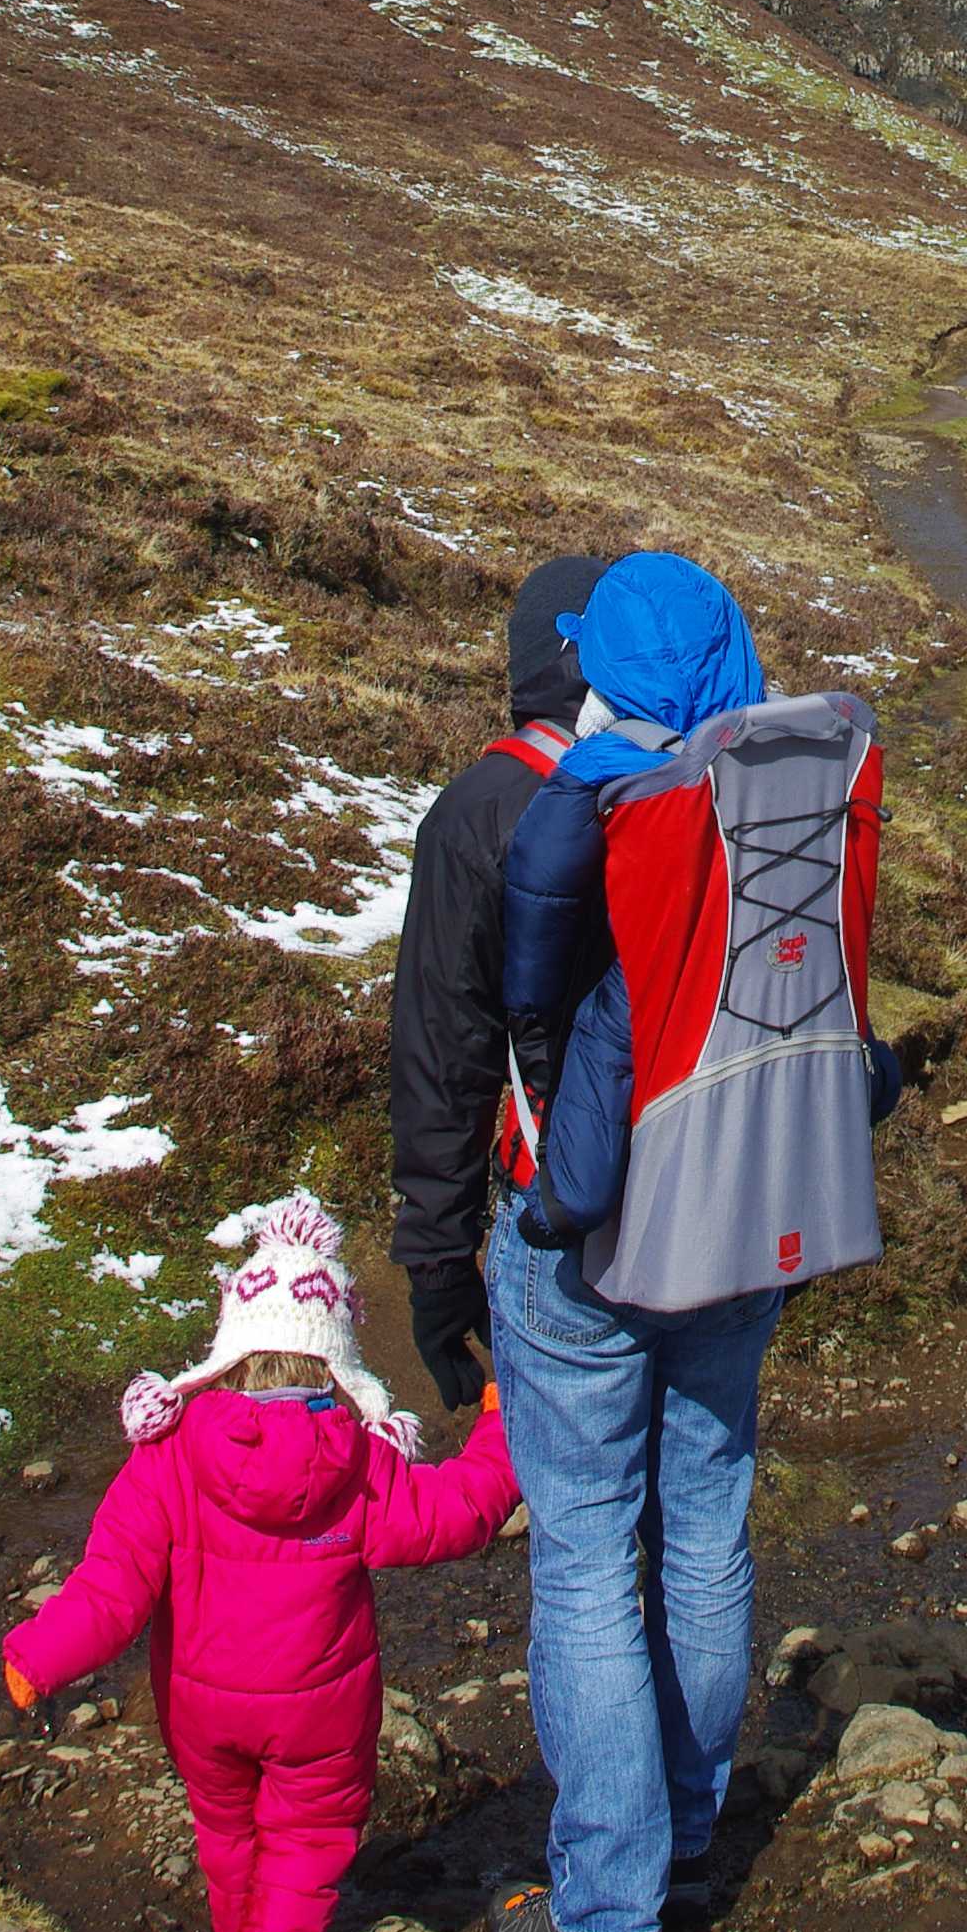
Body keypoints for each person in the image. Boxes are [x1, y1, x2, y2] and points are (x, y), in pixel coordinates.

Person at [481, 551, 902, 1932]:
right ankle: (685, 1836)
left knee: (591, 1554)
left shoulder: (594, 799)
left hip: (607, 1229)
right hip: (753, 1214)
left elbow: (534, 992)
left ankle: (607, 1918)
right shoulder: (798, 771)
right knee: (707, 1522)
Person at [0, 1191, 518, 1932]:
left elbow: (110, 1588)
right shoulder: (359, 1464)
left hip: (201, 1709)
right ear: (335, 1363)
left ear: (229, 1354)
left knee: (226, 1834)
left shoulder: (167, 1456)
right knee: (308, 1847)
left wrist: (36, 1658)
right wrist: (501, 1429)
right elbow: (461, 1510)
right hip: (320, 1714)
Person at [390, 554, 600, 1410]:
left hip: (559, 1211)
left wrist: (439, 1258)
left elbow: (446, 1055)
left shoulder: (480, 812)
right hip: (712, 1201)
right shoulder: (697, 782)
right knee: (700, 1499)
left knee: (578, 1509)